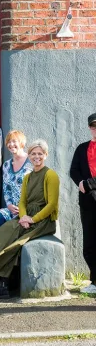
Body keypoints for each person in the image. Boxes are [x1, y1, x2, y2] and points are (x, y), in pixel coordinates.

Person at [0, 139, 59, 300]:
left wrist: (32, 220)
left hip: (43, 221)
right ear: (29, 155)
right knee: (1, 234)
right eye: (33, 153)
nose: (36, 157)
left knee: (14, 245)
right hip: (25, 217)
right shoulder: (28, 177)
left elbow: (52, 204)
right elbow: (22, 201)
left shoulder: (50, 175)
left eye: (40, 154)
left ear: (46, 155)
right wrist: (24, 216)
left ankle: (1, 284)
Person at [70, 113, 96, 294]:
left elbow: (88, 181)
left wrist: (87, 184)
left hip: (89, 190)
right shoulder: (81, 148)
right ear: (89, 127)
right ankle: (94, 280)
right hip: (87, 202)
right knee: (89, 244)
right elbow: (73, 170)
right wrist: (80, 182)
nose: (95, 129)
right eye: (93, 126)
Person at [0, 130, 32, 231]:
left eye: (14, 141)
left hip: (29, 208)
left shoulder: (31, 161)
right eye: (9, 142)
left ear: (21, 142)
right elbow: (6, 188)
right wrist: (9, 205)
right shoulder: (6, 165)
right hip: (12, 209)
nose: (11, 144)